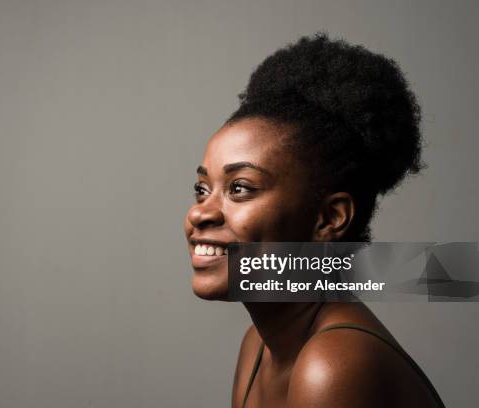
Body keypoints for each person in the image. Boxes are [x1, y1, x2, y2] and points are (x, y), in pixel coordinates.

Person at [184, 33, 445, 407]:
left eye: (240, 188)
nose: (199, 212)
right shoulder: (258, 347)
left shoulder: (331, 366)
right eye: (201, 189)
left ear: (330, 218)